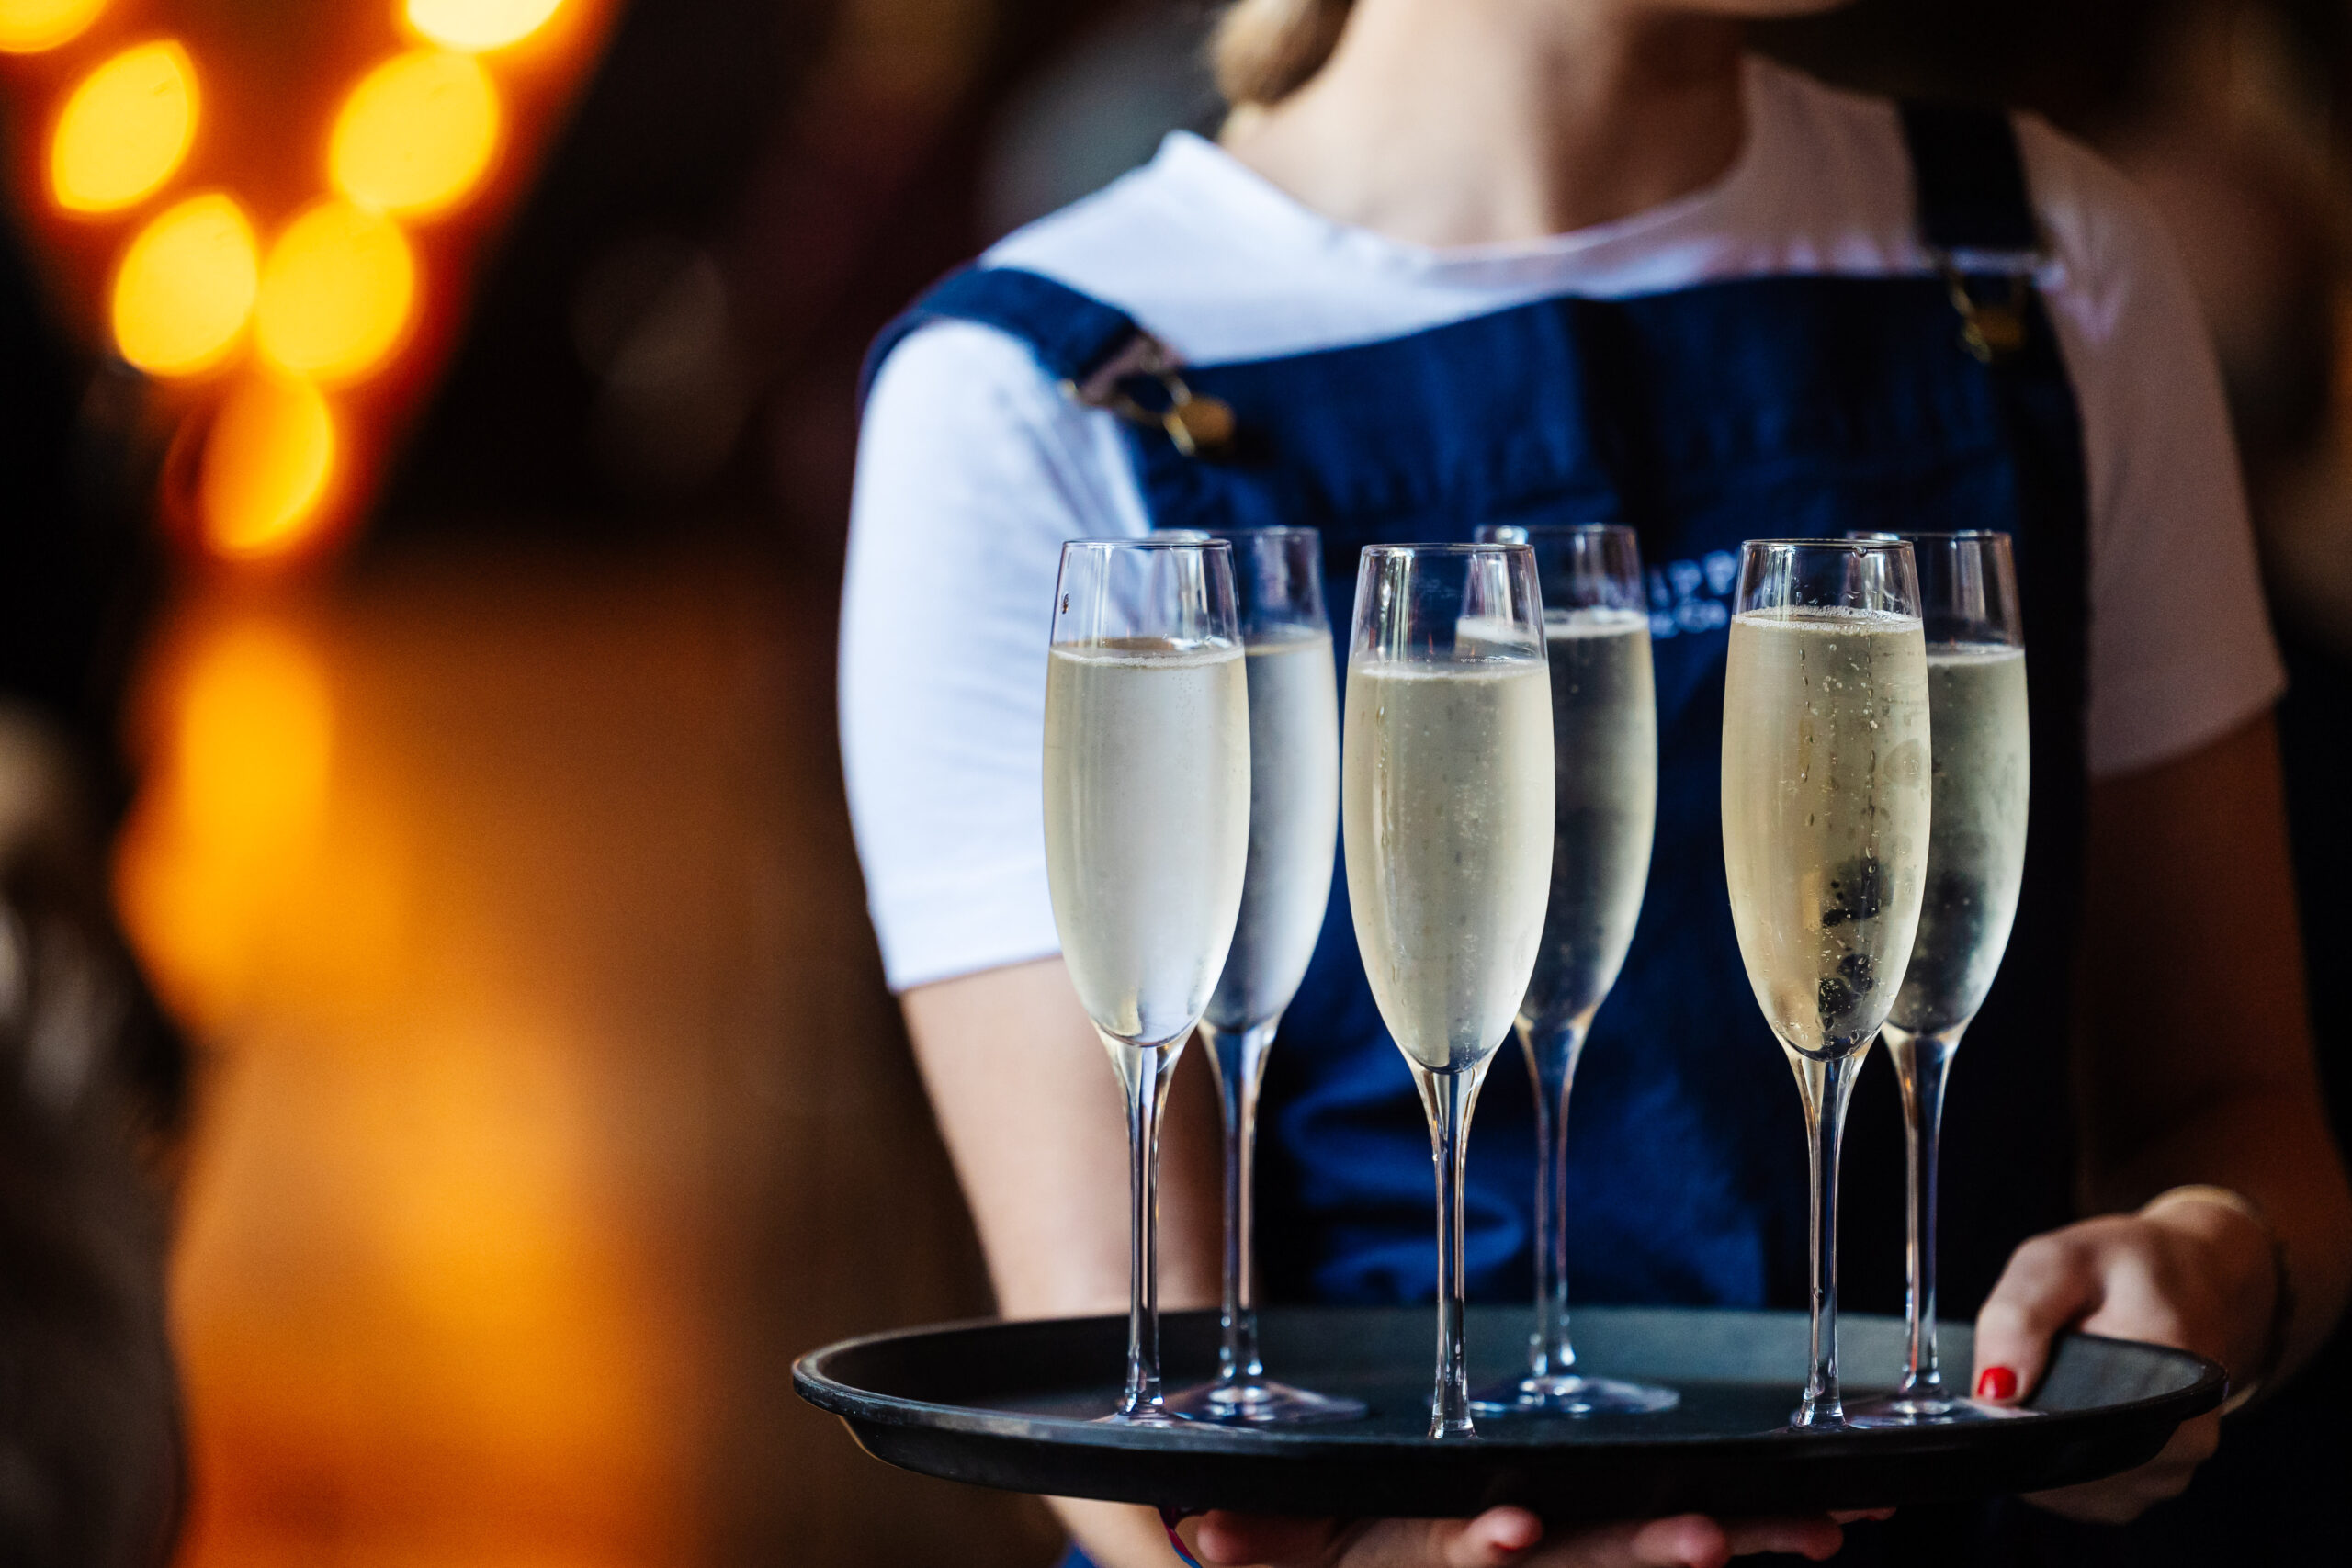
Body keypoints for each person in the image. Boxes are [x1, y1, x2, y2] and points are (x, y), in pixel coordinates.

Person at [838, 0, 2352, 1562]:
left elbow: (2247, 1122)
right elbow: (1126, 1391)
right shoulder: (1026, 391)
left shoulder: (2046, 261)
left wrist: (2220, 1268)